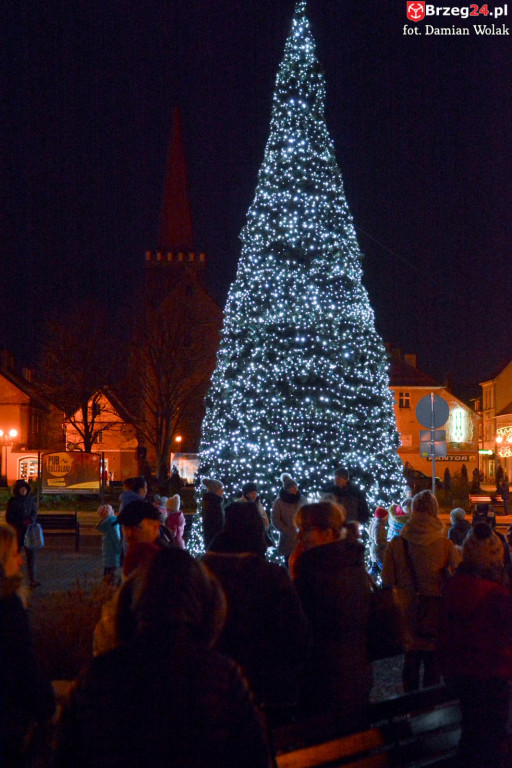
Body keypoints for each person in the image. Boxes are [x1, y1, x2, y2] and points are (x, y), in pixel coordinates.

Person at [56, 548, 272, 768]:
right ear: (207, 605)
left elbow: (65, 757)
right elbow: (256, 758)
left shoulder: (98, 675)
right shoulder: (222, 676)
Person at [204, 501, 309, 726]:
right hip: (267, 688)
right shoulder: (271, 575)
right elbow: (296, 635)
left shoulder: (203, 571)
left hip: (215, 685)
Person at [292, 501, 372, 732]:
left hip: (322, 677)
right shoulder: (352, 561)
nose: (299, 537)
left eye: (305, 530)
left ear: (327, 532)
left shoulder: (313, 568)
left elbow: (300, 627)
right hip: (357, 672)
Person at [439, 522, 512, 768]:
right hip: (493, 676)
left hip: (462, 675)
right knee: (493, 739)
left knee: (472, 734)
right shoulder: (496, 595)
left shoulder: (453, 587)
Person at [382, 490, 461, 693]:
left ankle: (411, 708)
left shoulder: (397, 545)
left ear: (413, 512)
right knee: (432, 663)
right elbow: (458, 579)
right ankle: (427, 711)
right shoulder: (445, 545)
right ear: (434, 512)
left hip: (407, 612)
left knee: (410, 661)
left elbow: (387, 579)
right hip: (435, 611)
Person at [0, 524, 55, 766]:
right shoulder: (9, 608)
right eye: (14, 554)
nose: (21, 562)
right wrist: (47, 708)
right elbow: (24, 665)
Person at [5, 479, 40, 587]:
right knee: (15, 555)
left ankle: (32, 578)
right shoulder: (13, 501)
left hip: (29, 532)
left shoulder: (30, 500)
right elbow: (8, 517)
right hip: (17, 532)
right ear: (18, 490)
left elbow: (34, 512)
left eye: (25, 489)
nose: (23, 491)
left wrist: (30, 520)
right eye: (21, 489)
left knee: (31, 556)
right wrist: (18, 522)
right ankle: (14, 578)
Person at [271, 473, 306, 566]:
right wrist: (286, 530)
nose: (295, 489)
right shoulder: (278, 503)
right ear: (287, 489)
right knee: (289, 563)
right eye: (293, 487)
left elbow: (308, 513)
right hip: (288, 540)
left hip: (302, 537)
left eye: (296, 486)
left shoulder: (302, 499)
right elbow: (275, 520)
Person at [96, 504, 122, 579]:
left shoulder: (106, 521)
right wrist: (120, 548)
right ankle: (108, 587)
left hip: (107, 549)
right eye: (112, 509)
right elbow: (116, 536)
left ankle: (105, 586)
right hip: (113, 550)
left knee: (107, 569)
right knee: (111, 570)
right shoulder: (112, 520)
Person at [201, 477, 224, 549]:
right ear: (216, 490)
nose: (223, 490)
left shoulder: (211, 502)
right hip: (215, 542)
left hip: (212, 541)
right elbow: (217, 524)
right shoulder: (213, 504)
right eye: (221, 488)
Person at [368, 506, 388, 577]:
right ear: (383, 518)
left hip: (374, 550)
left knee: (375, 565)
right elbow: (378, 541)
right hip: (379, 552)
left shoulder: (375, 523)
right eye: (387, 517)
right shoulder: (379, 526)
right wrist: (387, 543)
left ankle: (369, 576)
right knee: (385, 569)